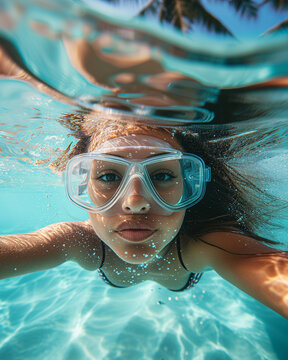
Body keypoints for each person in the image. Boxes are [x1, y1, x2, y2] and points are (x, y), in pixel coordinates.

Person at [0, 118, 287, 320]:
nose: (135, 202)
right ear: (83, 185)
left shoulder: (203, 244)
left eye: (162, 175)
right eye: (109, 176)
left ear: (189, 185)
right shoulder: (79, 241)